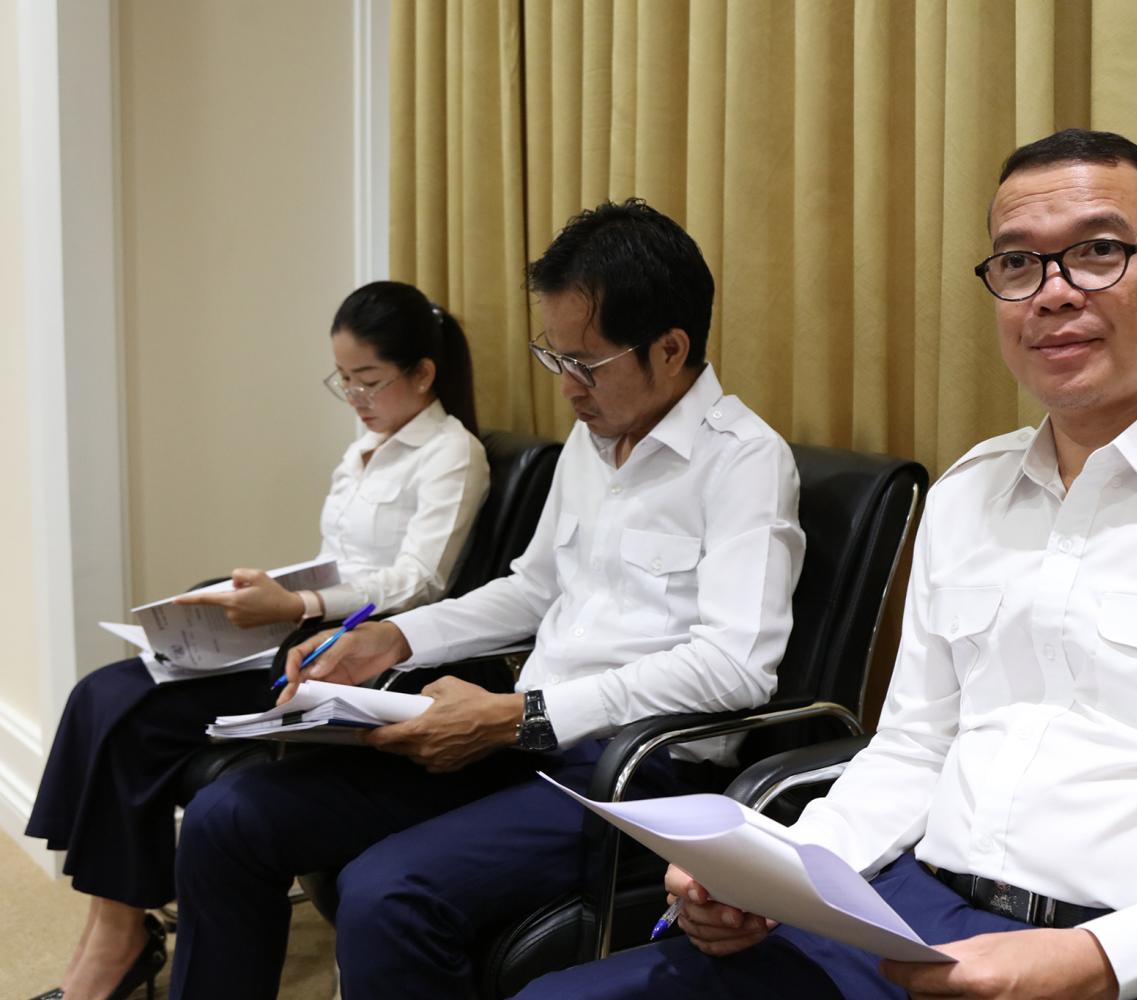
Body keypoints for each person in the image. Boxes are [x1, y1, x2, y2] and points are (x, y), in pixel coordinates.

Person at [516, 129, 1137, 1000]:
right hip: (905, 913)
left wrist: (1098, 958)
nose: (1053, 293)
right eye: (1017, 263)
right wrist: (783, 872)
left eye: (1098, 252)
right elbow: (914, 747)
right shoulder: (969, 492)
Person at [166, 199, 806, 999]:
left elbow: (735, 668)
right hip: (526, 738)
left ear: (670, 348)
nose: (567, 387)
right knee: (231, 817)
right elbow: (533, 588)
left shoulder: (744, 461)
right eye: (555, 357)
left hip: (633, 774)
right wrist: (397, 639)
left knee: (386, 895)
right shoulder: (594, 440)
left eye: (587, 363)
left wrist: (520, 715)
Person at [25, 279, 490, 1000]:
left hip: (346, 657)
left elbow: (419, 580)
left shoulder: (452, 453)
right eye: (342, 380)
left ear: (423, 373)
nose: (355, 397)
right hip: (297, 630)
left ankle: (113, 949)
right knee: (102, 692)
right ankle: (111, 929)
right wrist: (259, 594)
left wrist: (299, 602)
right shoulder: (364, 449)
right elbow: (337, 559)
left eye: (369, 379)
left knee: (134, 717)